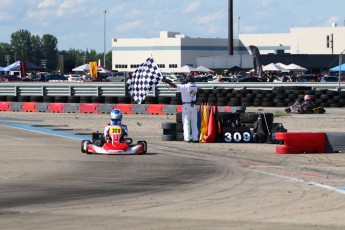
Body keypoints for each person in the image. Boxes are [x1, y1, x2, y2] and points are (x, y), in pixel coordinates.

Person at [162, 74, 199, 143]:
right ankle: (195, 138)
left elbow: (175, 86)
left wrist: (168, 82)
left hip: (186, 106)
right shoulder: (195, 87)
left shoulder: (185, 86)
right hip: (194, 105)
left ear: (187, 80)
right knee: (194, 123)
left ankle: (187, 138)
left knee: (186, 122)